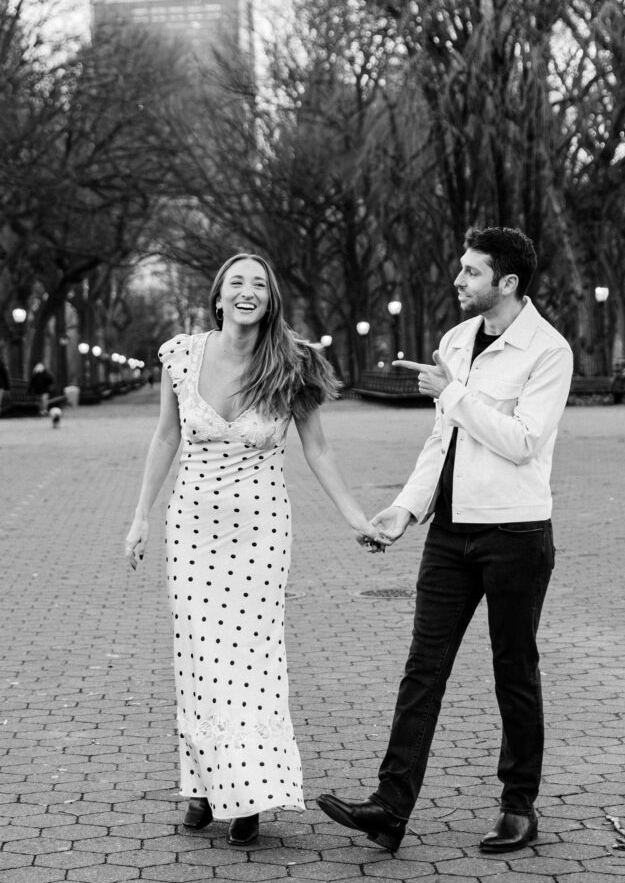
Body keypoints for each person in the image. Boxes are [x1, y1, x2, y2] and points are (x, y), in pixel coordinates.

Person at [316, 227, 574, 854]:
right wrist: (404, 511)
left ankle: (519, 806)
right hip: (449, 532)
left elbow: (521, 441)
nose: (458, 281)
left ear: (507, 283)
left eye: (472, 272)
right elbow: (443, 440)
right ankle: (390, 806)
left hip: (515, 533)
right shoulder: (455, 341)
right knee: (422, 671)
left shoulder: (548, 350)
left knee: (514, 671)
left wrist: (454, 393)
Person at [124, 253, 379, 846]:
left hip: (260, 531)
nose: (247, 292)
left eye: (258, 285)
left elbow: (318, 450)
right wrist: (140, 516)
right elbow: (165, 435)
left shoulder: (294, 362)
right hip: (191, 528)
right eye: (236, 283)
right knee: (197, 659)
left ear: (270, 301)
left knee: (250, 662)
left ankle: (250, 798)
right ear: (217, 297)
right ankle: (201, 789)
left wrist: (354, 516)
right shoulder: (181, 355)